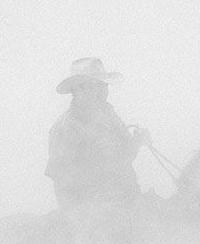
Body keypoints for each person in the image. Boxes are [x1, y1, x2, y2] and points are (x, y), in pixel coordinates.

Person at [45, 57, 151, 208]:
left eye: (104, 85)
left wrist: (137, 142)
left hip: (130, 203)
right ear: (79, 89)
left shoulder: (109, 114)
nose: (104, 91)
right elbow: (62, 182)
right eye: (97, 86)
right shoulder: (65, 128)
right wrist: (78, 218)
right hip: (95, 213)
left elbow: (121, 160)